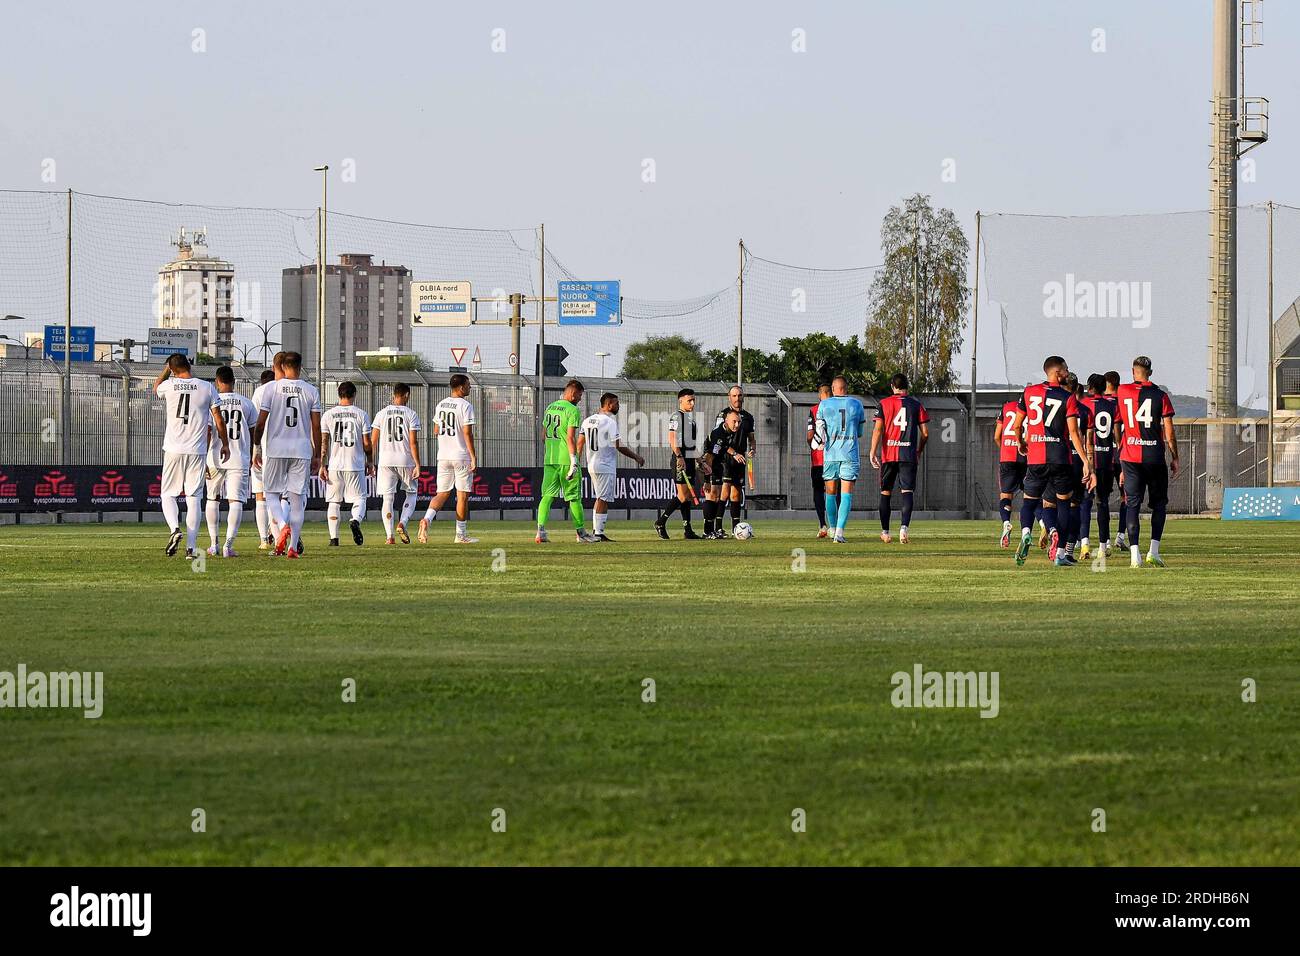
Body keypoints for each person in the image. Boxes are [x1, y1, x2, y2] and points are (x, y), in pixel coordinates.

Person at [1010, 356, 1093, 567]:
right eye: (1065, 369)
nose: (1067, 371)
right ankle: (1060, 555)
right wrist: (1085, 461)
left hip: (1036, 458)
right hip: (1060, 459)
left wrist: (1020, 443)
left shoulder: (1028, 393)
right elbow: (1074, 433)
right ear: (1057, 372)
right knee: (1064, 505)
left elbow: (1017, 426)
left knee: (1029, 502)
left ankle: (1027, 532)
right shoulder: (1068, 397)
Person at [154, 354, 228, 558]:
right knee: (194, 497)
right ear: (189, 365)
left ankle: (174, 529)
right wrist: (225, 444)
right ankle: (191, 548)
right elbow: (219, 420)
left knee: (168, 493)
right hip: (197, 449)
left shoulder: (169, 385)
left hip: (173, 448)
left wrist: (166, 370)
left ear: (171, 368)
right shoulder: (207, 387)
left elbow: (156, 387)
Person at [252, 351, 322, 558]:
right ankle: (292, 547)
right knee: (297, 499)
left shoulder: (271, 389)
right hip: (301, 450)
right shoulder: (311, 391)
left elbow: (261, 422)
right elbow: (316, 426)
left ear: (282, 367)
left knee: (271, 494)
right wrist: (318, 455)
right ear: (300, 366)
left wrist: (257, 447)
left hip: (276, 448)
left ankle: (282, 526)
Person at [1116, 356, 1179, 567]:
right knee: (1159, 504)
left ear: (1133, 372)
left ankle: (1135, 555)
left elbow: (1117, 424)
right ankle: (1154, 551)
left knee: (1132, 503)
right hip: (1154, 457)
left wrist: (1120, 448)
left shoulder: (1122, 392)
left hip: (1130, 457)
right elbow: (1169, 430)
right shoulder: (1161, 396)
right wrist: (1175, 457)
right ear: (1150, 372)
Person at [418, 374, 479, 544]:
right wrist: (473, 457)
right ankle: (460, 535)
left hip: (443, 455)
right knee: (462, 496)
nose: (469, 388)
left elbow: (436, 430)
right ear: (460, 388)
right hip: (460, 456)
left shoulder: (441, 404)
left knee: (442, 493)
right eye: (468, 385)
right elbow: (467, 433)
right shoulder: (466, 406)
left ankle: (427, 520)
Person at [869, 372, 929, 544]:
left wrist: (872, 452)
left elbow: (878, 429)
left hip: (889, 456)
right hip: (908, 455)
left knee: (885, 492)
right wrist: (919, 449)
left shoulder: (883, 404)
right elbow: (925, 433)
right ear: (907, 387)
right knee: (907, 492)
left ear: (892, 387)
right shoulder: (916, 405)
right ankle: (904, 529)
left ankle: (885, 533)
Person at [204, 365, 257, 558]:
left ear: (217, 382)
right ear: (234, 382)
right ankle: (228, 545)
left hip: (214, 456)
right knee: (236, 501)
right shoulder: (247, 403)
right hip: (238, 456)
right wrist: (254, 453)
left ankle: (213, 544)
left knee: (212, 498)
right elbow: (254, 432)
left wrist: (203, 457)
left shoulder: (212, 403)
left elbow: (209, 431)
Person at [577, 392, 644, 542]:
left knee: (600, 498)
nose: (618, 406)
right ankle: (598, 534)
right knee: (603, 499)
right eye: (616, 403)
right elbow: (619, 446)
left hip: (592, 464)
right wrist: (636, 457)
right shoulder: (610, 422)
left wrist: (576, 461)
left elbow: (579, 443)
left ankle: (597, 531)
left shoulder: (587, 420)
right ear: (608, 405)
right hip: (605, 464)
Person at [537, 379, 596, 543]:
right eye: (579, 395)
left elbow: (543, 436)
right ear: (572, 392)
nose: (580, 398)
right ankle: (581, 534)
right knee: (574, 497)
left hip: (550, 459)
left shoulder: (550, 407)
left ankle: (540, 532)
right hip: (566, 460)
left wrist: (552, 448)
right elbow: (570, 438)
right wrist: (573, 461)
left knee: (547, 496)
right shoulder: (572, 410)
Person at [319, 381, 372, 547]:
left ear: (339, 394)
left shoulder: (328, 415)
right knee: (360, 498)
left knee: (334, 502)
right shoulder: (361, 414)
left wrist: (322, 464)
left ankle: (334, 538)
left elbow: (324, 443)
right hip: (354, 464)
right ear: (354, 395)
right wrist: (370, 461)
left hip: (335, 465)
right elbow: (366, 443)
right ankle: (355, 520)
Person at [369, 383, 422, 545]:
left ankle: (389, 536)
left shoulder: (381, 414)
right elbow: (413, 442)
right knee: (411, 493)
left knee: (388, 498)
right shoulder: (411, 414)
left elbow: (373, 441)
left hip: (385, 461)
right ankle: (402, 522)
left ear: (394, 394)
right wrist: (418, 464)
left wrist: (370, 462)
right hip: (405, 459)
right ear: (406, 394)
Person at [815, 376, 865, 544]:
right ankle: (840, 533)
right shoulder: (857, 404)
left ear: (834, 389)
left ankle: (832, 528)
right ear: (846, 388)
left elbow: (820, 431)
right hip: (849, 455)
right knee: (846, 495)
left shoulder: (824, 405)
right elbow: (860, 432)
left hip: (830, 455)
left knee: (830, 493)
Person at [707, 385, 756, 536]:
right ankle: (718, 527)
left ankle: (737, 529)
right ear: (729, 397)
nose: (737, 398)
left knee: (736, 494)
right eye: (734, 396)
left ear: (743, 397)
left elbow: (752, 439)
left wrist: (752, 449)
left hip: (740, 459)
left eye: (739, 395)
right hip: (726, 457)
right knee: (725, 491)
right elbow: (718, 439)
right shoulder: (723, 415)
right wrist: (732, 453)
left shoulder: (748, 417)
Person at [1079, 373, 1118, 559]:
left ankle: (1084, 543)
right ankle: (1103, 546)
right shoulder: (1113, 405)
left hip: (1088, 460)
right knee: (1102, 503)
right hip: (1107, 460)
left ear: (1090, 387)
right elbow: (1117, 433)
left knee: (1085, 502)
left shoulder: (1083, 405)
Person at [654, 388, 702, 540]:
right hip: (680, 459)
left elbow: (692, 445)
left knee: (687, 497)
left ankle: (688, 530)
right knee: (683, 496)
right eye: (689, 400)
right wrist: (679, 456)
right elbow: (672, 438)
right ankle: (661, 522)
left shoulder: (691, 420)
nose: (693, 403)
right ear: (681, 401)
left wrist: (700, 461)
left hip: (689, 460)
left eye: (694, 400)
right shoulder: (676, 416)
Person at [702, 409, 746, 539]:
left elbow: (726, 447)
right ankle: (707, 532)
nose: (737, 425)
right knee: (712, 496)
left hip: (717, 464)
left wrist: (735, 454)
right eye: (734, 422)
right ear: (726, 421)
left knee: (717, 498)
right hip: (709, 465)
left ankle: (712, 531)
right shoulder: (718, 434)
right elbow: (709, 457)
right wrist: (706, 480)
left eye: (739, 422)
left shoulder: (727, 432)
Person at [249, 365, 279, 550]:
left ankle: (263, 540)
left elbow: (255, 423)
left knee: (260, 496)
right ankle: (277, 533)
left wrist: (255, 449)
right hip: (279, 450)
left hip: (262, 449)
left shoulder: (259, 393)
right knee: (275, 496)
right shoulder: (280, 390)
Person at [996, 394, 1028, 549]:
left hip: (1007, 456)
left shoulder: (1006, 407)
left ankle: (1007, 523)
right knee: (1031, 496)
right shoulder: (1029, 407)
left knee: (1005, 495)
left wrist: (1004, 449)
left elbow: (997, 436)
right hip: (1025, 456)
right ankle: (1041, 525)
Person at [1104, 370, 1129, 550]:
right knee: (1125, 497)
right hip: (1122, 457)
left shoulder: (1096, 402)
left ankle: (1102, 540)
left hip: (1102, 456)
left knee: (1100, 499)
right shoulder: (1123, 402)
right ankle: (1120, 536)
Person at [808, 383, 831, 538]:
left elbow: (809, 436)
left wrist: (814, 445)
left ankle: (822, 525)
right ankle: (835, 526)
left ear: (819, 394)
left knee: (818, 491)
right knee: (834, 492)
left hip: (818, 459)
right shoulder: (838, 407)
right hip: (835, 458)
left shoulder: (814, 410)